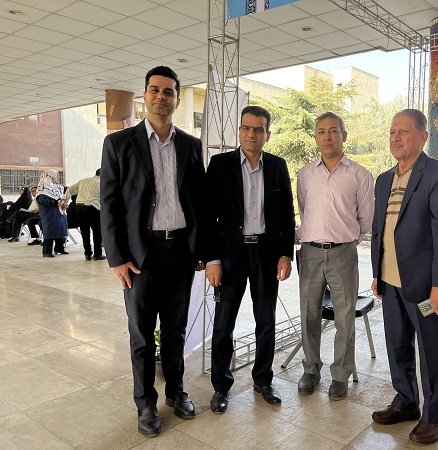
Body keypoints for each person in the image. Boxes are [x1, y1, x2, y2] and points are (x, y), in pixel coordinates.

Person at [100, 66, 206, 437]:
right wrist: (116, 258)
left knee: (175, 331)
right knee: (143, 335)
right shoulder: (118, 143)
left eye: (169, 91)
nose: (162, 96)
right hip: (139, 257)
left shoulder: (191, 145)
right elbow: (109, 204)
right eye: (155, 90)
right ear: (144, 95)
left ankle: (175, 391)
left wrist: (200, 249)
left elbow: (199, 202)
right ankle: (145, 403)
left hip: (180, 252)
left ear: (176, 99)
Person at [370, 109, 438, 444]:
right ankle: (406, 400)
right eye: (392, 131)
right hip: (391, 283)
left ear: (423, 137)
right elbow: (381, 230)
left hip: (425, 287)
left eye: (404, 131)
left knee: (430, 349)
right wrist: (378, 273)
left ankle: (435, 415)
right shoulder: (384, 179)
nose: (396, 138)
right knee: (397, 344)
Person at [205, 105, 295, 413]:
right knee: (223, 324)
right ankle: (221, 386)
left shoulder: (277, 166)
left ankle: (263, 380)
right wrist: (212, 259)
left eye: (258, 129)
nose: (251, 134)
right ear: (239, 130)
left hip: (266, 254)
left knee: (266, 321)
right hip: (230, 255)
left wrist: (285, 254)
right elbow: (208, 216)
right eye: (246, 128)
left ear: (267, 134)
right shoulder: (220, 165)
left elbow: (286, 214)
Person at [296, 112, 374, 401]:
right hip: (310, 252)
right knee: (309, 313)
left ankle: (340, 374)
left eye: (333, 131)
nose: (326, 137)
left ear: (344, 135)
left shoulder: (360, 175)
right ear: (316, 137)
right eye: (321, 131)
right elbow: (304, 209)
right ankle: (311, 369)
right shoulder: (305, 174)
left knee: (344, 316)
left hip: (343, 253)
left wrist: (347, 239)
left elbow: (366, 219)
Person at [61, 169, 105, 261]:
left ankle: (87, 254)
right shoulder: (102, 183)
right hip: (92, 208)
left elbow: (69, 189)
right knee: (97, 231)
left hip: (79, 208)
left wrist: (64, 201)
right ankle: (97, 254)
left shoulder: (84, 180)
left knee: (85, 231)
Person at [37, 171, 68, 257]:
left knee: (60, 230)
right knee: (50, 232)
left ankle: (59, 248)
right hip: (49, 213)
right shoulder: (43, 187)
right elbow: (43, 200)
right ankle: (47, 252)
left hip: (58, 212)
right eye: (55, 176)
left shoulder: (55, 186)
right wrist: (56, 202)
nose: (56, 178)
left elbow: (65, 190)